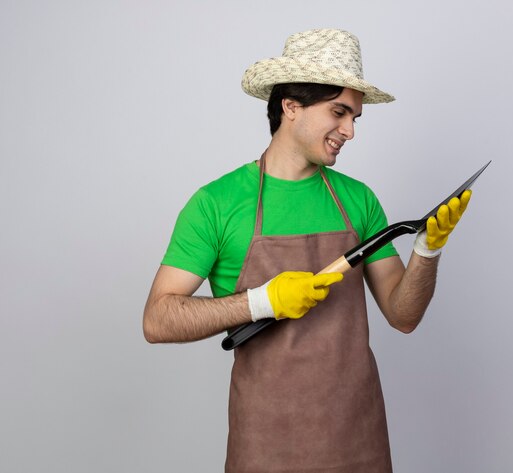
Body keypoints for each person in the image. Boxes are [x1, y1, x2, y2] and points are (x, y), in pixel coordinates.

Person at [143, 28, 472, 472]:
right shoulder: (217, 203)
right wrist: (263, 301)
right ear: (291, 106)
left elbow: (403, 315)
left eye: (355, 117)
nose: (350, 130)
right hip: (266, 444)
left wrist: (427, 252)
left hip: (358, 438)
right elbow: (158, 319)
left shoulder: (358, 200)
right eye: (339, 112)